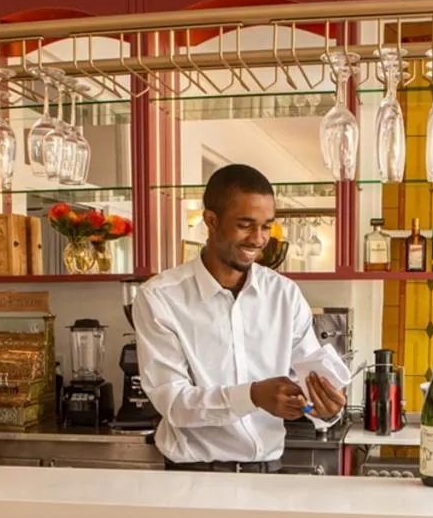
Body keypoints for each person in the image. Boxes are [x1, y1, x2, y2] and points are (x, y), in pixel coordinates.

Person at [132, 163, 347, 472]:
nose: (259, 239)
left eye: (266, 225)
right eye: (245, 224)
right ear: (211, 220)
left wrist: (326, 408)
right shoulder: (160, 297)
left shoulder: (285, 295)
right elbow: (174, 403)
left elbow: (312, 381)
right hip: (193, 480)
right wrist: (253, 396)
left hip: (268, 475)